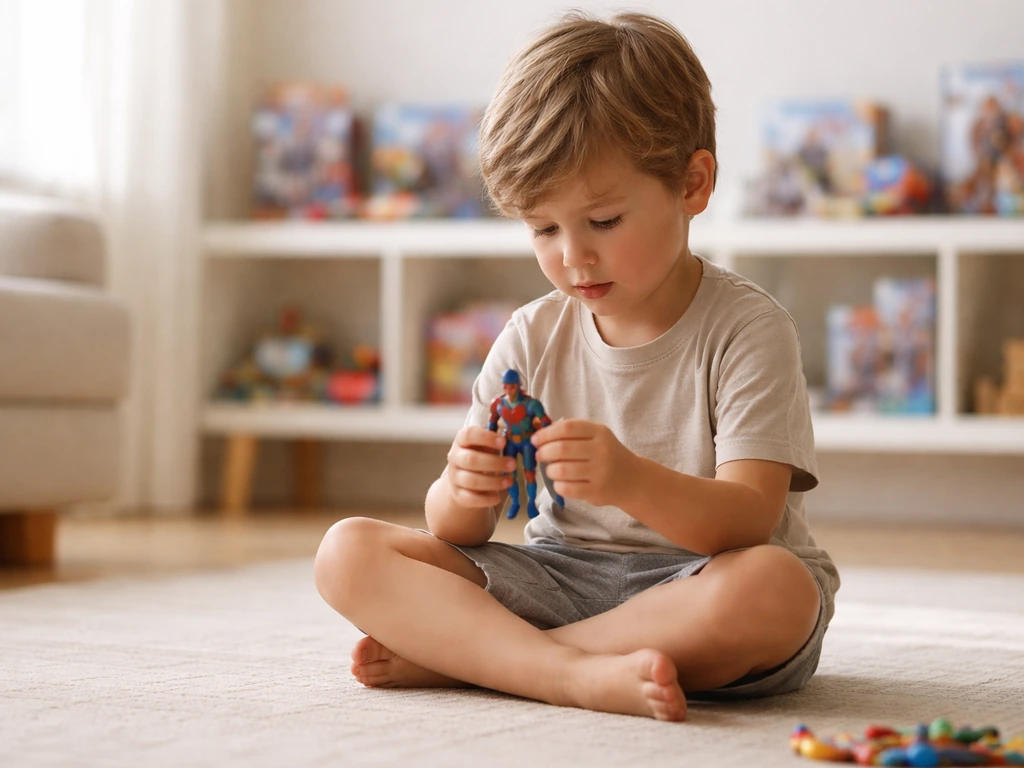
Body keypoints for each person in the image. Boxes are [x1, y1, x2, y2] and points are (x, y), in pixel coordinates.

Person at [314, 11, 839, 722]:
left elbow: (748, 521)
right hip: (557, 575)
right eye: (543, 228)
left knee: (776, 590)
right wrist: (465, 489)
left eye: (605, 221)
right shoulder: (531, 335)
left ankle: (488, 662)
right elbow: (457, 531)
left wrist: (628, 480)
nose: (573, 257)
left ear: (693, 183)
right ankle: (563, 672)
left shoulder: (749, 330)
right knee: (346, 552)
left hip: (700, 581)